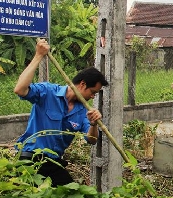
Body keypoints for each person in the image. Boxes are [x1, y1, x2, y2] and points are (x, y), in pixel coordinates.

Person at [14, 38, 108, 187]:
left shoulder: (83, 112)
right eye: (92, 92)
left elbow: (91, 140)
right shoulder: (47, 92)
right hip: (30, 158)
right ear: (82, 84)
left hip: (52, 162)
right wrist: (38, 56)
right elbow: (20, 89)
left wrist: (93, 124)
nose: (92, 97)